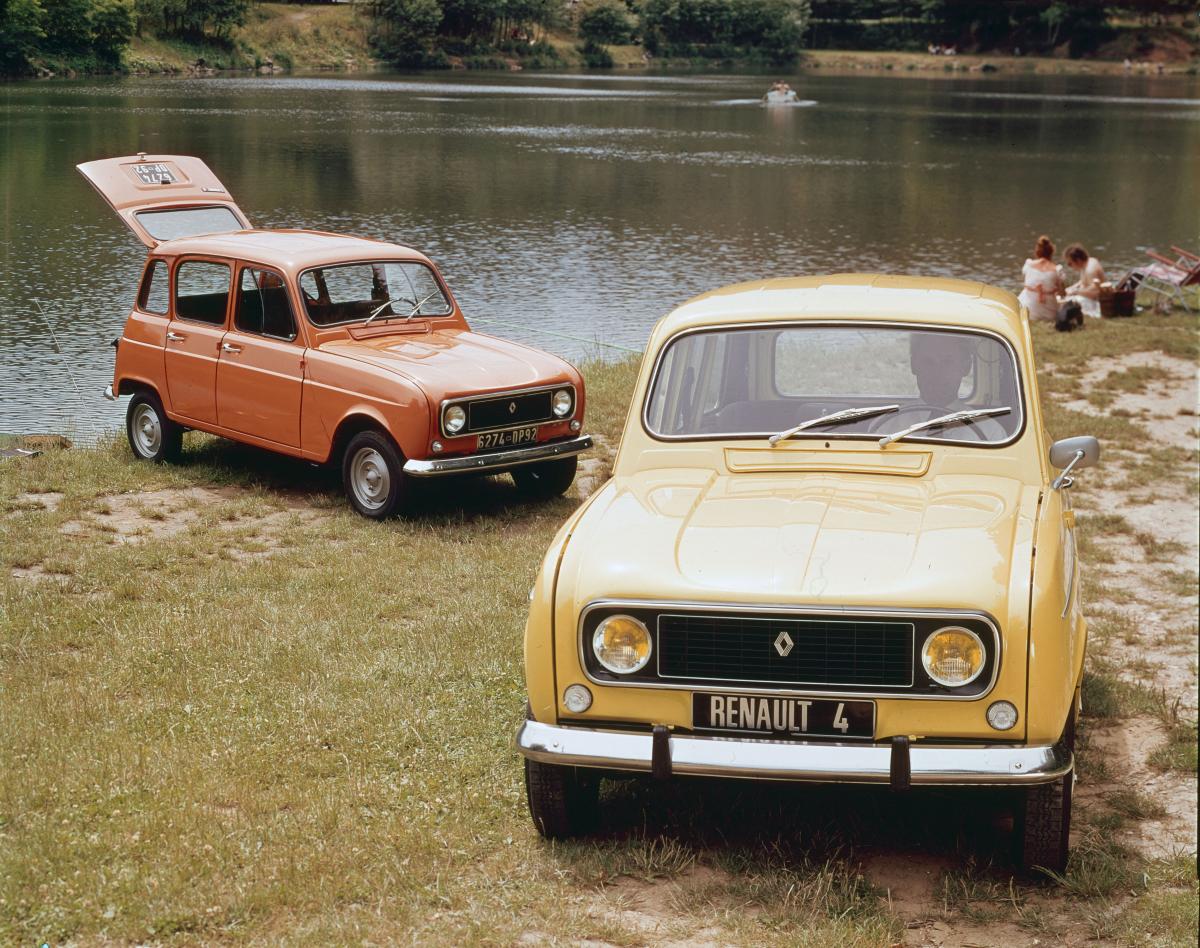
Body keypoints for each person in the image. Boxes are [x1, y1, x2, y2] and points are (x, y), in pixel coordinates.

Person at [1018, 235, 1065, 323]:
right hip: (1050, 314)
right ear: (1051, 252)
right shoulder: (1057, 270)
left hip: (1027, 310)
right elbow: (1062, 293)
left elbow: (1025, 281)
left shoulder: (1029, 265)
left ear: (1037, 252)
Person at [1061, 243, 1106, 319]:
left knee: (1067, 303)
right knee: (1065, 299)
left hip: (1096, 302)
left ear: (1078, 260)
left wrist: (1076, 292)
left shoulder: (1090, 270)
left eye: (1070, 264)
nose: (1070, 266)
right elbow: (1083, 282)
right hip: (1087, 297)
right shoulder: (1086, 264)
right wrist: (1070, 289)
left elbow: (1096, 293)